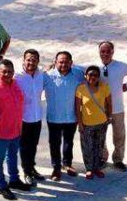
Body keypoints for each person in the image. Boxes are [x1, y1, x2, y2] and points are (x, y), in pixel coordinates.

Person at [0, 59, 26, 199]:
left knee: (13, 156)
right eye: (4, 71)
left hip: (16, 130)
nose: (8, 74)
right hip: (1, 133)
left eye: (10, 71)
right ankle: (1, 185)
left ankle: (14, 180)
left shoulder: (15, 84)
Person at [44, 52, 83, 180]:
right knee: (54, 143)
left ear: (71, 62)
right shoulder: (48, 76)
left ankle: (67, 164)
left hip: (71, 116)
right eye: (60, 62)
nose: (63, 64)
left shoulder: (77, 74)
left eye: (66, 62)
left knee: (68, 142)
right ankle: (56, 167)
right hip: (54, 116)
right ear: (55, 62)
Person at [97, 41, 127, 170]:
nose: (105, 54)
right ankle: (102, 157)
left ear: (113, 52)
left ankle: (118, 159)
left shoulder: (121, 66)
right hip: (100, 109)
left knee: (119, 135)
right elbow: (75, 68)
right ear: (99, 52)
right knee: (100, 135)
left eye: (108, 51)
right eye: (103, 51)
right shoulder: (94, 66)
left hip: (117, 108)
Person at [15, 49, 47, 184]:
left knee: (33, 145)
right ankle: (26, 172)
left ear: (37, 61)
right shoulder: (17, 77)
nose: (31, 62)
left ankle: (32, 167)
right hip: (23, 118)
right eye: (28, 59)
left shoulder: (41, 75)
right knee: (24, 146)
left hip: (37, 116)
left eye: (34, 60)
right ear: (24, 60)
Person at [75, 66, 112, 180]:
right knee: (87, 147)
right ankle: (89, 169)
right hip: (87, 124)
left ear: (98, 77)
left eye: (95, 75)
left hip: (101, 123)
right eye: (90, 74)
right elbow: (77, 108)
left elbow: (109, 104)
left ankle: (97, 168)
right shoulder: (81, 89)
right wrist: (80, 124)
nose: (93, 77)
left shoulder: (104, 87)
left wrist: (109, 117)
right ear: (86, 75)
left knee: (99, 146)